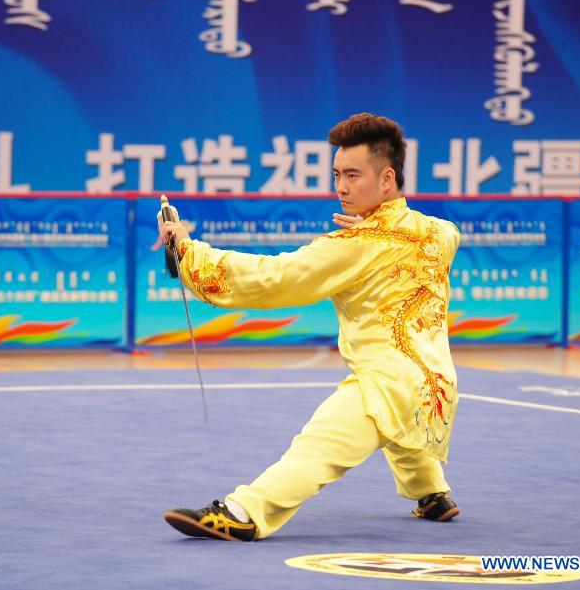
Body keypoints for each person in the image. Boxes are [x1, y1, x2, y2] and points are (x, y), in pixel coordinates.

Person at [160, 112, 462, 542]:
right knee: (402, 424)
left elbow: (275, 278)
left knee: (320, 443)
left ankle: (244, 512)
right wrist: (375, 226)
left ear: (386, 178)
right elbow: (448, 233)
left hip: (384, 382)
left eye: (353, 175)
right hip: (437, 385)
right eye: (337, 174)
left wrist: (188, 252)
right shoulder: (437, 232)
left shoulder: (354, 246)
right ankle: (432, 493)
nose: (341, 187)